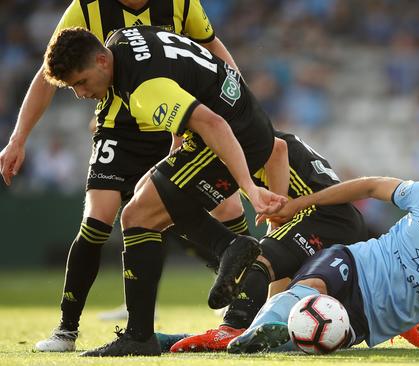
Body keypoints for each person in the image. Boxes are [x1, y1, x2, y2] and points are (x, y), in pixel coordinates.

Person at [0, 0, 254, 354]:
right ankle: (67, 329)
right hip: (119, 129)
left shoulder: (182, 3)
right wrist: (18, 137)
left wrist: (239, 100)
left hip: (178, 121)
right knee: (98, 219)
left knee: (226, 208)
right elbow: (50, 73)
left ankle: (244, 310)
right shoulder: (87, 9)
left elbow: (212, 49)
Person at [42, 26, 287, 356]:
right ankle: (227, 246)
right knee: (147, 196)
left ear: (101, 60)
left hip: (235, 135)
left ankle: (140, 335)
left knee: (137, 215)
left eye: (81, 81)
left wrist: (250, 188)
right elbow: (181, 79)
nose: (81, 93)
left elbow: (213, 124)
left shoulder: (143, 89)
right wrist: (174, 152)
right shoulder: (122, 38)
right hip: (241, 118)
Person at [164, 131, 419, 352]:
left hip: (321, 214)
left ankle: (230, 329)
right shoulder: (243, 129)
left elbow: (277, 149)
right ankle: (402, 319)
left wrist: (277, 210)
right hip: (336, 217)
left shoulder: (232, 135)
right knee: (277, 293)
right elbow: (228, 207)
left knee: (255, 260)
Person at [224, 164, 419, 353]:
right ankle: (248, 336)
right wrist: (299, 205)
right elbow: (369, 185)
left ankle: (258, 338)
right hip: (354, 262)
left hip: (369, 318)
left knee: (313, 337)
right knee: (311, 287)